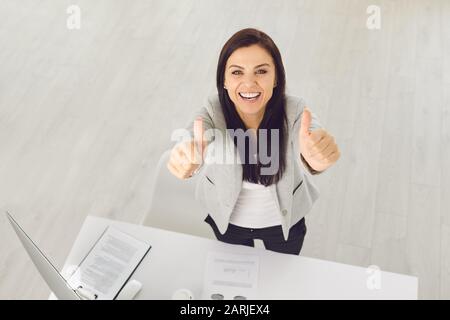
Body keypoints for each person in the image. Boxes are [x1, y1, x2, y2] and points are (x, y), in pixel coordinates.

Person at [167, 28, 340, 255]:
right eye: (237, 72)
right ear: (224, 81)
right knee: (236, 277)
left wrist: (316, 159)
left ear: (276, 77)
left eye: (261, 71)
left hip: (284, 223)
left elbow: (311, 133)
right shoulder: (212, 110)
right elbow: (192, 138)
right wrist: (187, 159)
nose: (249, 84)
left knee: (281, 278)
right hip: (228, 222)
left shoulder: (294, 109)